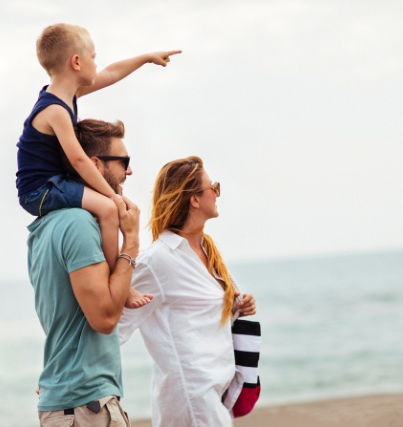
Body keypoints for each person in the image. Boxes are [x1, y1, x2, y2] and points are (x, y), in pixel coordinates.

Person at [16, 22, 181, 273]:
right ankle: (118, 278)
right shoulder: (55, 110)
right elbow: (80, 161)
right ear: (76, 62)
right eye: (93, 57)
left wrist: (147, 58)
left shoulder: (68, 96)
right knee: (108, 208)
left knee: (114, 205)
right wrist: (111, 196)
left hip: (55, 182)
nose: (96, 63)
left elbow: (111, 73)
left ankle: (114, 268)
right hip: (39, 191)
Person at [27, 118, 151, 427]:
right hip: (85, 405)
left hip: (77, 402)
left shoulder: (47, 226)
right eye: (124, 161)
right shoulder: (78, 224)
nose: (130, 171)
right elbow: (105, 318)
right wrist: (132, 241)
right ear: (94, 164)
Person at [118, 156, 257, 427]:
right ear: (194, 199)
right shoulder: (159, 260)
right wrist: (68, 374)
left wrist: (238, 306)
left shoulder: (206, 251)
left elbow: (198, 314)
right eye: (212, 187)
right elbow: (114, 324)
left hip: (215, 394)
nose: (217, 193)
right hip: (191, 400)